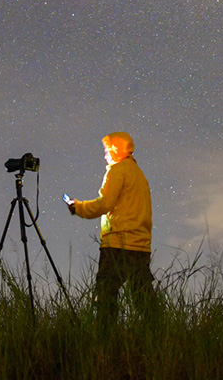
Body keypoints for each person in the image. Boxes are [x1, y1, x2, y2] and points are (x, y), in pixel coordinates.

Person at [65, 131, 157, 319]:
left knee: (105, 295)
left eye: (107, 150)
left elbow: (105, 203)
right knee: (144, 298)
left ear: (116, 150)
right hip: (140, 245)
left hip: (117, 244)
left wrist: (79, 207)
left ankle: (105, 339)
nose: (105, 155)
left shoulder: (117, 170)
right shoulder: (139, 175)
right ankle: (161, 336)